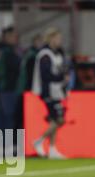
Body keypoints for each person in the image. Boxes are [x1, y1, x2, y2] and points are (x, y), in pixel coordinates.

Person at [32, 28, 68, 159]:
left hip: (57, 91)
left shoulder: (57, 53)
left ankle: (52, 149)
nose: (60, 41)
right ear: (51, 38)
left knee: (54, 119)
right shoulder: (45, 54)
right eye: (57, 38)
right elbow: (45, 75)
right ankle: (39, 141)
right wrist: (61, 78)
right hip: (48, 91)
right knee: (60, 118)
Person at [0, 26, 21, 131]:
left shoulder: (11, 51)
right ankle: (4, 144)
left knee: (4, 117)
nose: (16, 38)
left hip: (8, 89)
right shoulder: (5, 52)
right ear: (7, 37)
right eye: (14, 36)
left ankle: (0, 144)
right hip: (6, 89)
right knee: (6, 117)